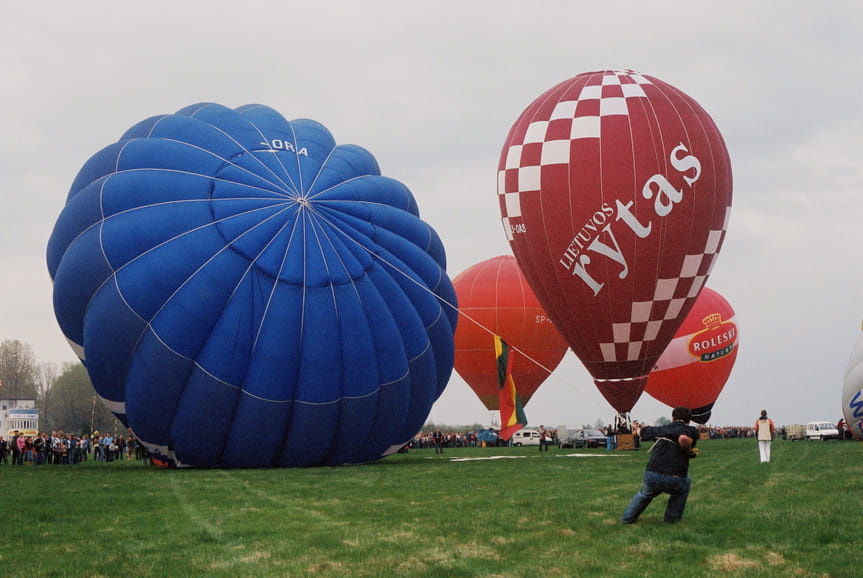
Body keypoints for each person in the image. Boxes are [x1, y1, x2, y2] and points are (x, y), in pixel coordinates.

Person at [622, 407, 700, 524]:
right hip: (675, 477)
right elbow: (683, 438)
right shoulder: (690, 430)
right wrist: (688, 449)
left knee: (644, 494)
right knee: (685, 484)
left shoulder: (661, 429)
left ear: (672, 418)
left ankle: (627, 519)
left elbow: (642, 432)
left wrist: (637, 429)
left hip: (653, 474)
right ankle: (671, 520)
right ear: (689, 421)